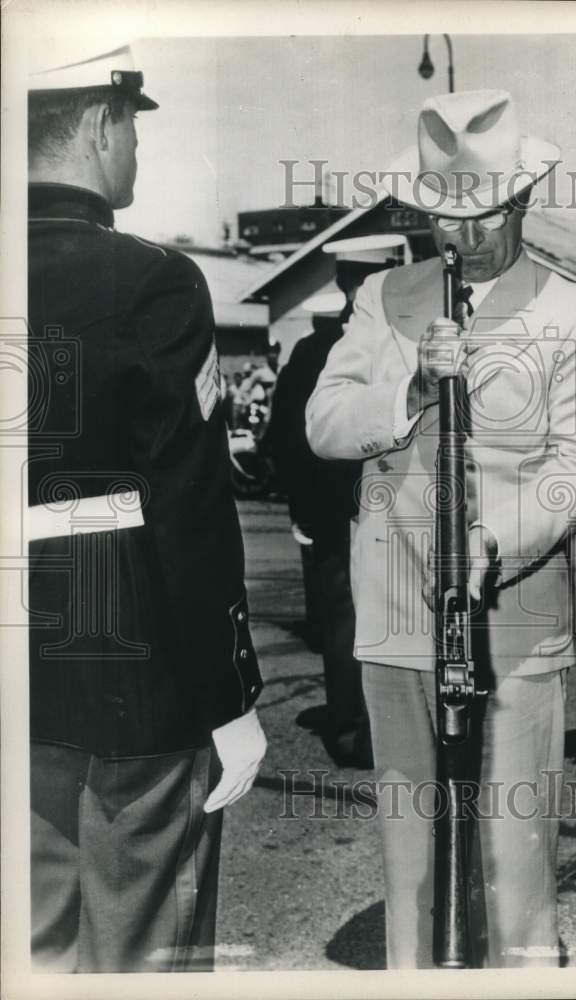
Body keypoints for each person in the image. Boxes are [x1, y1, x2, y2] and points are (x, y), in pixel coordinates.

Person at [306, 89, 576, 968]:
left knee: (512, 844)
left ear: (521, 202)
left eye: (486, 215)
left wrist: (494, 546)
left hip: (515, 614)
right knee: (412, 839)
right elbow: (323, 428)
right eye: (448, 217)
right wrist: (408, 385)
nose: (466, 238)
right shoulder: (384, 297)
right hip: (397, 609)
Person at [26, 43, 267, 972]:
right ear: (100, 123)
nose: (136, 149)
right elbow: (187, 510)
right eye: (133, 126)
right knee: (144, 935)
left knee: (32, 934)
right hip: (128, 651)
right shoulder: (151, 280)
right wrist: (231, 693)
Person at [269, 235, 409, 767]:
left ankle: (353, 732)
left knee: (344, 625)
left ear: (343, 279)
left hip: (336, 512)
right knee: (387, 625)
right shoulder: (401, 340)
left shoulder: (311, 350)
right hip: (389, 508)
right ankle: (386, 733)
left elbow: (285, 440)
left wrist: (304, 509)